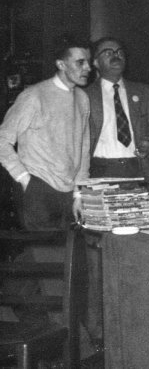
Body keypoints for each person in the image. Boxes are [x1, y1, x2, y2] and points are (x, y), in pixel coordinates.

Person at [0, 34, 91, 322]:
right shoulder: (34, 96)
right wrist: (25, 179)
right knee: (48, 264)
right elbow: (2, 140)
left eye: (88, 62)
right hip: (38, 190)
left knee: (59, 265)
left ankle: (24, 318)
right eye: (80, 62)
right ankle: (57, 333)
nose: (88, 68)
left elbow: (83, 147)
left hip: (68, 193)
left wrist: (79, 192)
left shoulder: (82, 99)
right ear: (61, 64)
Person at [84, 36, 149, 203]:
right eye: (108, 53)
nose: (116, 56)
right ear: (96, 62)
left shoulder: (142, 92)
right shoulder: (84, 95)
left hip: (137, 169)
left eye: (120, 52)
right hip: (100, 170)